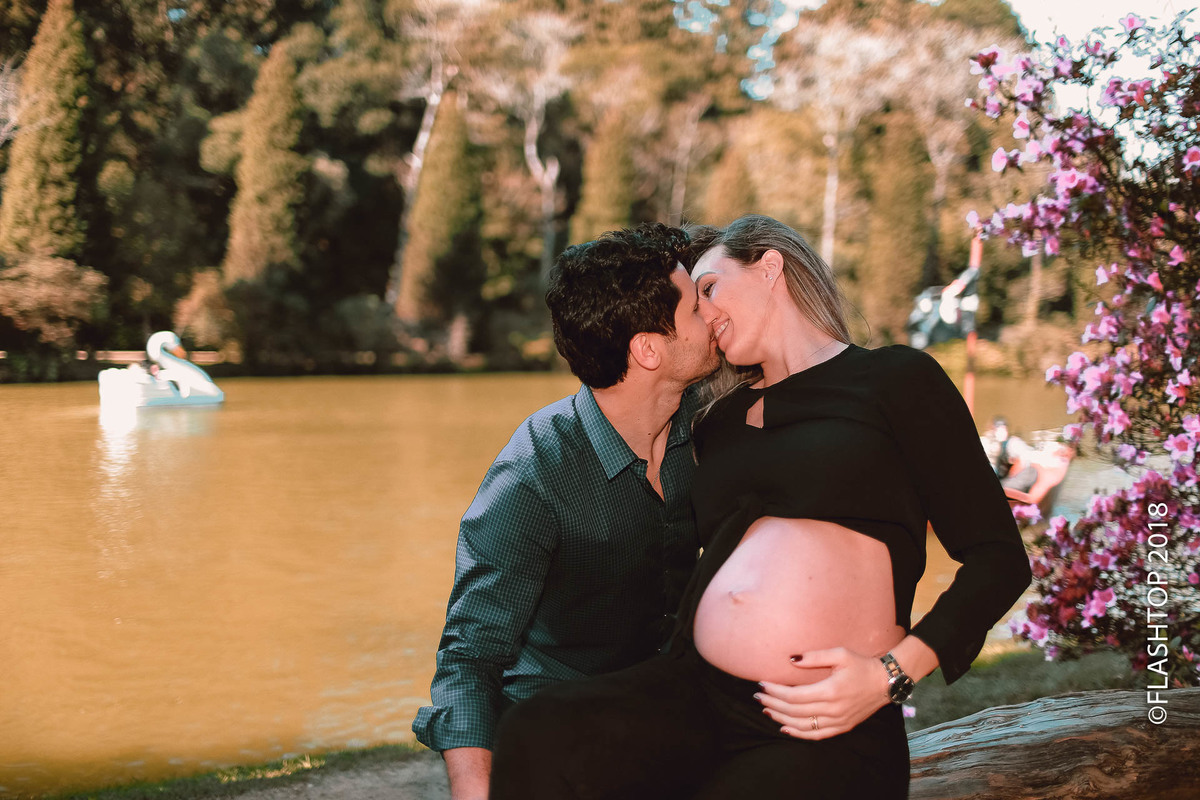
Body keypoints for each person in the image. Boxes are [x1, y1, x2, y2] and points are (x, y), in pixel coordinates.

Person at [489, 214, 1033, 799]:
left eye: (710, 288)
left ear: (770, 265)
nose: (703, 314)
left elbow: (998, 560)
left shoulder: (896, 379)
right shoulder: (715, 423)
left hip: (821, 716)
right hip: (695, 693)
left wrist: (891, 675)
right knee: (539, 729)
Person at [412, 223, 722, 799]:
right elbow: (469, 660)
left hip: (669, 710)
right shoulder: (533, 473)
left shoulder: (707, 425)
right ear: (647, 349)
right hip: (557, 739)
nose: (714, 314)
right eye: (696, 307)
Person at [982, 416, 1038, 493]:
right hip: (1016, 477)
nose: (1001, 432)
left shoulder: (1013, 442)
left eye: (1003, 429)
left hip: (1027, 473)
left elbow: (1021, 463)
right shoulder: (996, 445)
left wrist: (1009, 477)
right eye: (998, 429)